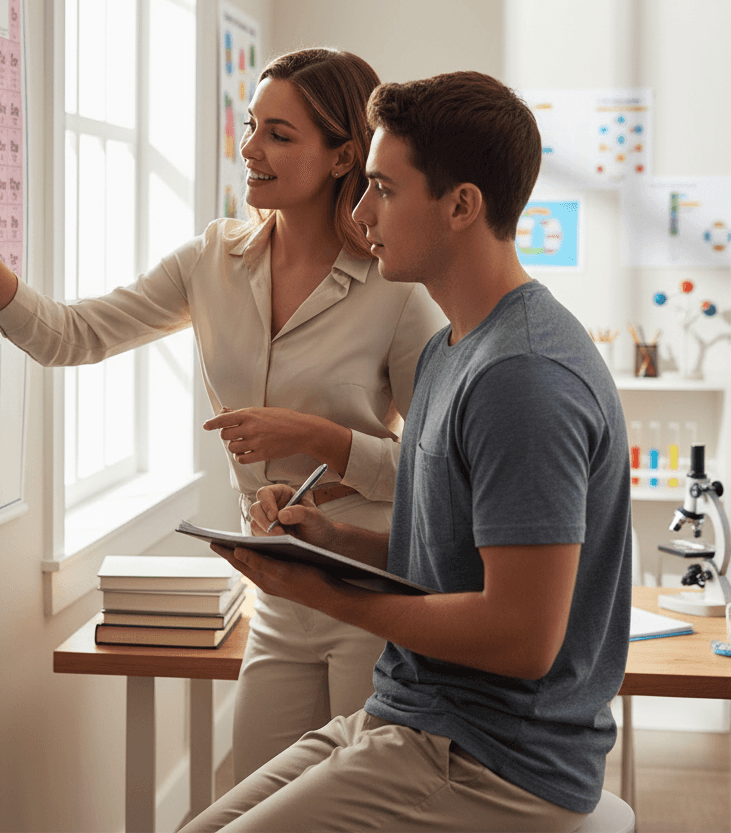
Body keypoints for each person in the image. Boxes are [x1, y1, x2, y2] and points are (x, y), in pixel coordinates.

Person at [0, 48, 446, 781]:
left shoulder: (396, 288)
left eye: (279, 135)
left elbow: (437, 470)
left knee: (360, 805)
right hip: (277, 589)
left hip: (368, 587)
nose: (250, 150)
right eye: (251, 127)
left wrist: (323, 439)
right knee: (253, 800)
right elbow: (71, 335)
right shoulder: (212, 260)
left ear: (342, 156)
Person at [186, 71, 632, 832]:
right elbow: (453, 562)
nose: (360, 213)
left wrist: (323, 594)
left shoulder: (523, 377)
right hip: (413, 712)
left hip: (494, 759)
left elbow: (522, 638)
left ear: (461, 206)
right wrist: (331, 543)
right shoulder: (452, 350)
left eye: (384, 190)